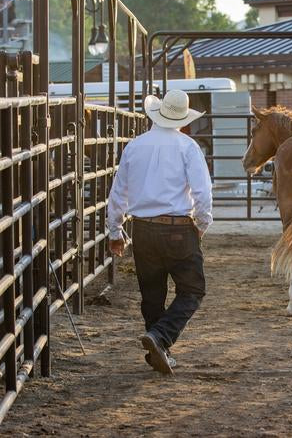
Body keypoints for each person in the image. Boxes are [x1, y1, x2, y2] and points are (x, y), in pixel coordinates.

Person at [107, 89, 212, 375]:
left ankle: (160, 347)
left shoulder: (135, 146)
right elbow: (202, 194)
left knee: (152, 293)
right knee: (192, 289)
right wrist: (201, 226)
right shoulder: (188, 146)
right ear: (182, 117)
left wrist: (115, 231)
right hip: (178, 228)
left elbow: (119, 193)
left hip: (142, 229)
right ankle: (160, 338)